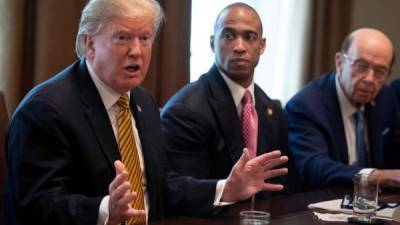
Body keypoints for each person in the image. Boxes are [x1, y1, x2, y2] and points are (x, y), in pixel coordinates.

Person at [5, 0, 289, 224]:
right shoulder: (46, 109)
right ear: (89, 44)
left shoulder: (142, 101)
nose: (137, 51)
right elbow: (38, 206)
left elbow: (162, 186)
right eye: (122, 38)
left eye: (145, 38)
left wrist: (225, 189)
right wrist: (105, 209)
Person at [161, 2, 292, 198]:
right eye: (229, 36)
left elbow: (282, 184)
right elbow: (181, 194)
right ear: (213, 43)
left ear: (262, 45)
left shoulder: (271, 109)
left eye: (249, 37)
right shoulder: (185, 110)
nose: (239, 47)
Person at [285, 28, 400, 190]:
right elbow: (315, 167)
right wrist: (375, 177)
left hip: (372, 204)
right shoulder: (305, 105)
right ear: (339, 62)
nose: (369, 79)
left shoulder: (386, 98)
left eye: (380, 71)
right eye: (361, 66)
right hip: (318, 204)